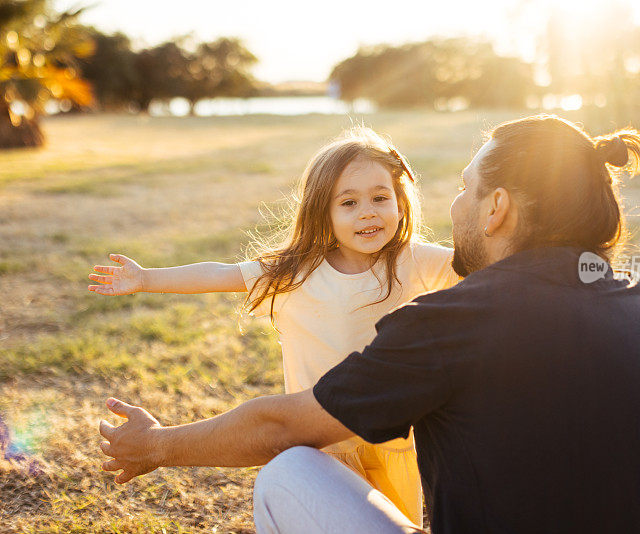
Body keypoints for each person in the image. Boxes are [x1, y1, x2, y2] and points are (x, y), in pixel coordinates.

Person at [98, 114, 640, 534]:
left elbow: (278, 428)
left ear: (497, 208)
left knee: (287, 472)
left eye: (465, 189)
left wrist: (157, 446)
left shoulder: (460, 318)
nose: (453, 202)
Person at [88, 127, 459, 525]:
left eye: (381, 198)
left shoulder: (416, 260)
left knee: (390, 522)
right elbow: (220, 274)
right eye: (348, 202)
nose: (368, 211)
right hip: (316, 439)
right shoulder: (297, 271)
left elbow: (485, 272)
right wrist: (146, 279)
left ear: (400, 203)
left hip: (387, 439)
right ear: (323, 213)